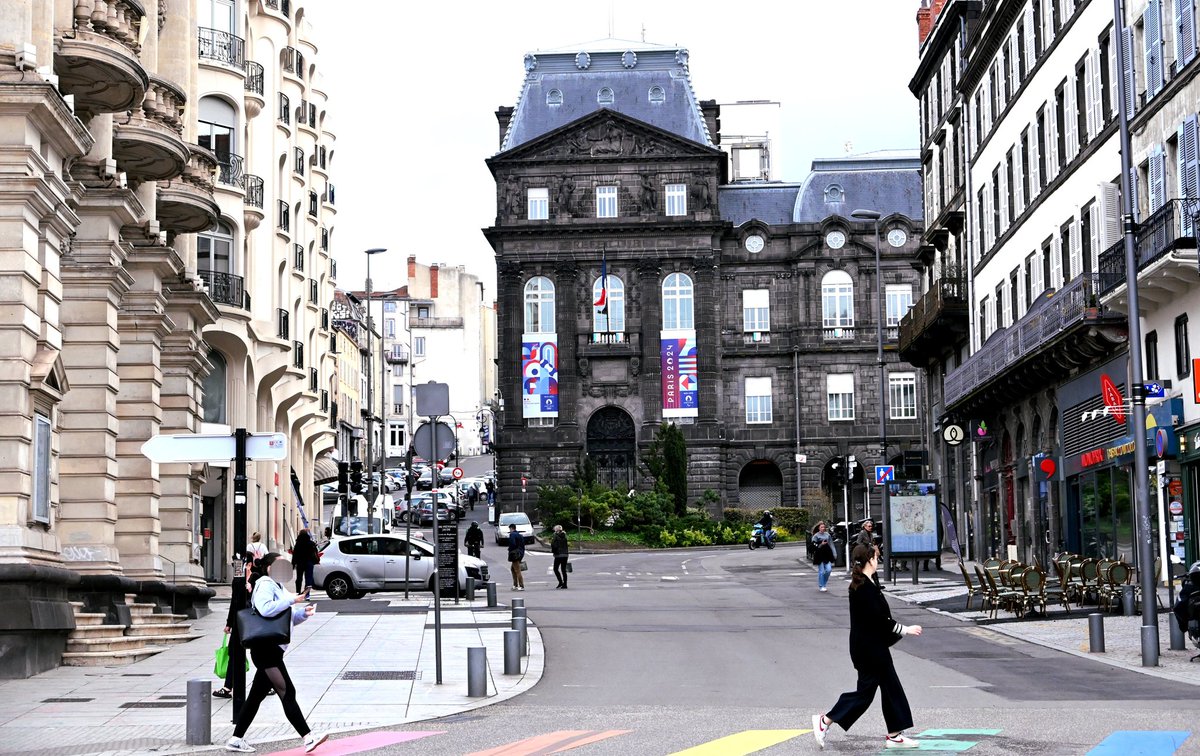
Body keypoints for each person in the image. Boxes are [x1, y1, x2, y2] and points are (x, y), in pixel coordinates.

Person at [812, 544, 923, 751]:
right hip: (869, 650)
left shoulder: (868, 582)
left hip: (871, 647)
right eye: (876, 557)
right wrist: (905, 629)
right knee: (866, 694)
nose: (878, 560)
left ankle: (895, 735)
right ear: (869, 560)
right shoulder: (863, 588)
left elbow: (879, 619)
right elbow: (880, 620)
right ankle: (825, 720)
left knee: (890, 688)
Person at [226, 553, 327, 754]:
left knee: (255, 697)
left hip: (271, 649)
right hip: (266, 650)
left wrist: (301, 614)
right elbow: (265, 610)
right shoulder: (265, 584)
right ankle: (308, 737)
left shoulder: (277, 586)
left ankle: (236, 739)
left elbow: (280, 620)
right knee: (287, 692)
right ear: (269, 567)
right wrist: (292, 599)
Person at [856, 521, 884, 589]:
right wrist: (867, 545)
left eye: (871, 526)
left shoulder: (870, 534)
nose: (870, 527)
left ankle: (877, 585)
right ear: (865, 526)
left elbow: (872, 542)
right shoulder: (862, 533)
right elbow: (858, 542)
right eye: (869, 526)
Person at [290, 529, 319, 594]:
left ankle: (298, 592)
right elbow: (315, 553)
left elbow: (295, 555)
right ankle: (307, 593)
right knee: (308, 578)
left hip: (300, 563)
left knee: (299, 578)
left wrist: (293, 564)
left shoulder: (298, 544)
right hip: (309, 563)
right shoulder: (311, 543)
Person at [811, 521, 836, 592]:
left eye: (824, 527)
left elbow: (831, 544)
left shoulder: (827, 535)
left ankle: (824, 583)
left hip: (827, 554)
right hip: (819, 554)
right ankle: (821, 586)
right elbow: (813, 546)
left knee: (829, 569)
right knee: (821, 571)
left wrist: (834, 553)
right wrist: (821, 544)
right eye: (821, 527)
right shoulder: (816, 536)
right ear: (819, 528)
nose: (823, 528)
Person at [507, 524, 525, 591]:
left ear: (511, 528)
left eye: (510, 529)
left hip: (515, 554)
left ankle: (521, 585)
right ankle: (515, 584)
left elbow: (512, 544)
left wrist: (510, 549)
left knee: (517, 570)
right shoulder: (519, 535)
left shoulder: (512, 535)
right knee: (513, 569)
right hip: (520, 553)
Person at [551, 524, 569, 589]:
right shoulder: (565, 535)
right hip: (565, 554)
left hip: (558, 555)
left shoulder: (555, 535)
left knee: (555, 569)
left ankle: (560, 582)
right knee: (563, 570)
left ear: (556, 530)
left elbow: (553, 544)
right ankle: (565, 584)